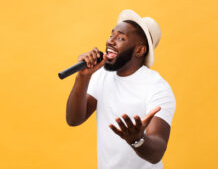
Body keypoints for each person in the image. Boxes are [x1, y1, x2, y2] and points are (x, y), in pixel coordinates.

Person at [66, 10, 176, 169]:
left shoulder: (157, 87)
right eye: (112, 35)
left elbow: (157, 152)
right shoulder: (101, 76)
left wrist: (137, 140)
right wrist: (82, 77)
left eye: (120, 38)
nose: (111, 41)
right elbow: (74, 120)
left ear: (140, 50)